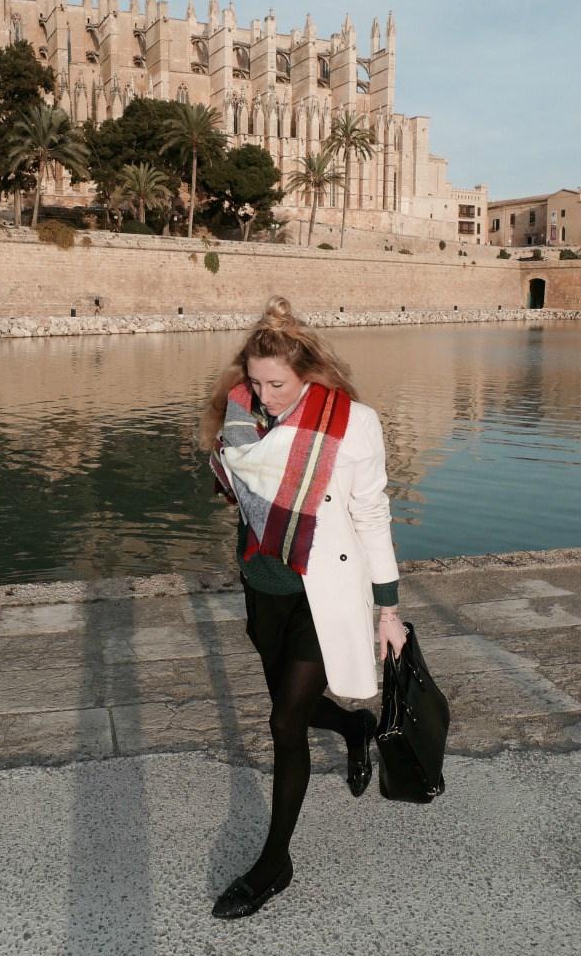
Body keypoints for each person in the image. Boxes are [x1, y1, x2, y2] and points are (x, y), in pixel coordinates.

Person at [199, 295, 407, 920]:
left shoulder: (352, 424)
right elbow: (237, 495)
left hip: (325, 593)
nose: (265, 396)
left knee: (285, 725)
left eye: (277, 384)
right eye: (255, 382)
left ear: (309, 374)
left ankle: (274, 862)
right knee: (295, 706)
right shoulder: (239, 419)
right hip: (264, 587)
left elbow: (371, 515)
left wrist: (387, 608)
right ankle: (353, 725)